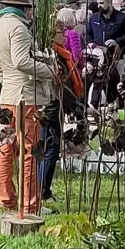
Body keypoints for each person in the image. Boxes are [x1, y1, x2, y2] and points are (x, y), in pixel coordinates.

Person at [0, 0, 53, 215]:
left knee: (7, 148)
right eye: (29, 9)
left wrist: (9, 82)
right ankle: (30, 205)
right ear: (24, 9)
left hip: (8, 96)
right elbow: (21, 62)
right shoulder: (18, 28)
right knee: (30, 151)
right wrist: (49, 71)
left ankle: (6, 200)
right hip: (25, 97)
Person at [40, 21, 83, 202]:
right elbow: (61, 86)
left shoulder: (61, 54)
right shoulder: (52, 56)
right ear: (51, 35)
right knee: (50, 150)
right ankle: (43, 191)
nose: (64, 36)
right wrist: (76, 105)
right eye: (60, 33)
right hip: (51, 108)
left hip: (56, 107)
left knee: (49, 150)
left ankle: (42, 189)